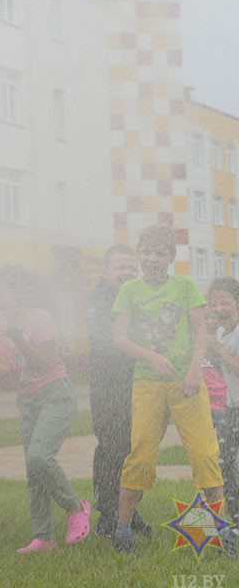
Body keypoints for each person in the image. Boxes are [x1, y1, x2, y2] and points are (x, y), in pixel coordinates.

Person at [110, 224, 234, 557]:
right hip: (147, 384)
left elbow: (200, 333)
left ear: (170, 257)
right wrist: (151, 356)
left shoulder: (184, 287)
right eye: (146, 251)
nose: (152, 258)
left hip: (187, 384)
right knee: (140, 455)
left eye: (159, 252)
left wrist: (194, 372)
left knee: (206, 454)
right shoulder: (129, 291)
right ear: (139, 253)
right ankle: (122, 531)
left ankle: (222, 536)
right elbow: (120, 339)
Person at [0, 267, 91, 554]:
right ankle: (44, 538)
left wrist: (18, 339)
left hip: (55, 393)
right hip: (28, 400)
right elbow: (8, 370)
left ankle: (75, 507)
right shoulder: (3, 326)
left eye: (1, 290)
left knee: (39, 456)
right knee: (34, 471)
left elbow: (44, 362)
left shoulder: (40, 317)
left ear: (18, 290)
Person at [84, 245, 151, 540]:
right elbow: (109, 342)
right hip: (108, 388)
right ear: (105, 270)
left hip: (135, 386)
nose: (126, 273)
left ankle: (129, 511)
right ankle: (108, 517)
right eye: (120, 267)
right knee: (112, 450)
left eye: (131, 268)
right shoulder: (99, 299)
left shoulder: (136, 298)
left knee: (131, 450)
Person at [205, 277, 239, 524]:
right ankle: (234, 518)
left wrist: (216, 348)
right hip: (231, 407)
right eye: (214, 303)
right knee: (224, 462)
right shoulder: (218, 333)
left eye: (225, 303)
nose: (218, 309)